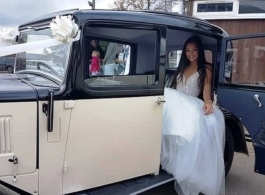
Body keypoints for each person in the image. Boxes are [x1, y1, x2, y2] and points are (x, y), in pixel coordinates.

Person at [160, 36, 225, 195]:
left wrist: (208, 101)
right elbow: (175, 87)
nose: (191, 53)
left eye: (194, 50)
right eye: (188, 50)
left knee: (186, 136)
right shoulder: (182, 67)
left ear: (199, 51)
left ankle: (187, 171)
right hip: (176, 103)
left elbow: (206, 88)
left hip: (190, 105)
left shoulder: (206, 68)